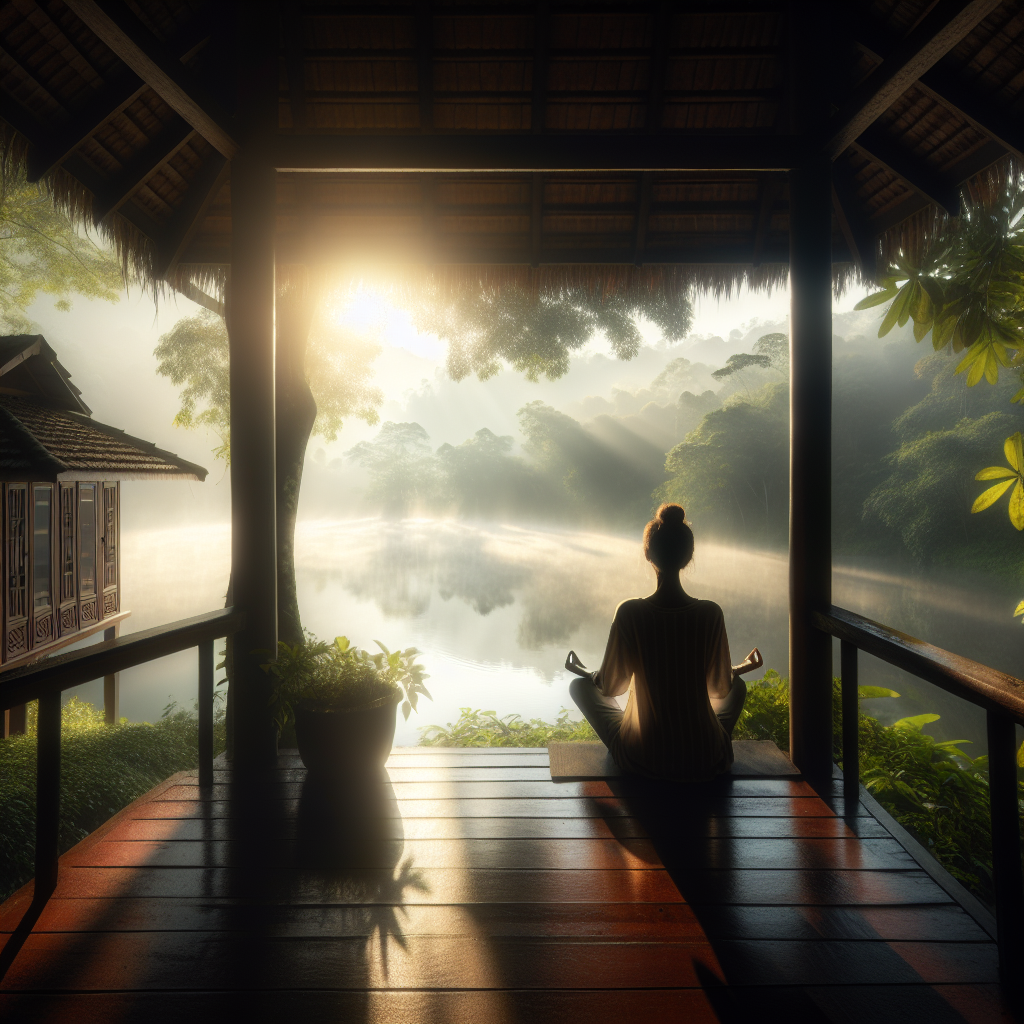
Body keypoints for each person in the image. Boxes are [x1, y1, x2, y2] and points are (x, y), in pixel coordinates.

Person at [567, 502, 762, 781]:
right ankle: (709, 741)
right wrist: (734, 671)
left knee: (578, 687)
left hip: (643, 758)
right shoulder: (710, 613)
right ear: (688, 556)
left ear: (648, 554)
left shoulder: (630, 613)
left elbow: (612, 687)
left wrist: (588, 673)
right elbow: (719, 690)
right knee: (737, 687)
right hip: (705, 757)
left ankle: (639, 733)